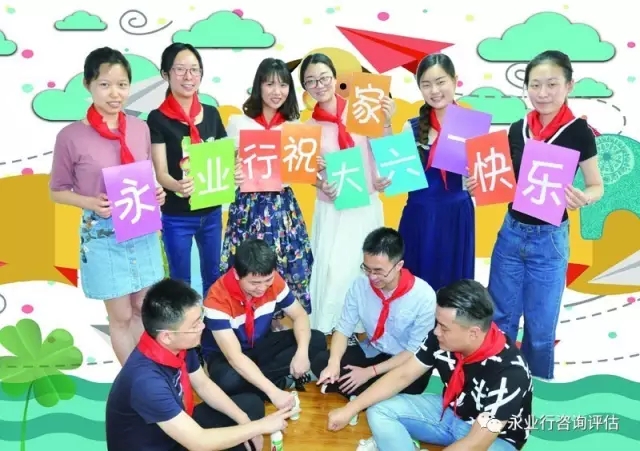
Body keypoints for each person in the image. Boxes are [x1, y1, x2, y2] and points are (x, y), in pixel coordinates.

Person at [468, 50, 604, 380]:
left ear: (569, 85)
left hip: (550, 240)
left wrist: (585, 198)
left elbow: (596, 185)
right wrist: (480, 182)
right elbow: (503, 180)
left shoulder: (579, 132)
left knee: (541, 330)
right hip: (510, 234)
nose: (543, 93)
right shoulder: (517, 130)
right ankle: (497, 386)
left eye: (552, 84)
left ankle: (537, 393)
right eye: (535, 85)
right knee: (500, 320)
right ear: (526, 87)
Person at [49, 47, 165, 365]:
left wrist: (156, 193)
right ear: (88, 84)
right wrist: (89, 202)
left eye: (122, 85)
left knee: (144, 309)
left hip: (141, 227)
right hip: (102, 234)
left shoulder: (140, 128)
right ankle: (135, 381)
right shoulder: (71, 136)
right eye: (105, 84)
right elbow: (57, 191)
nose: (115, 93)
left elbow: (144, 176)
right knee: (121, 316)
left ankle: (150, 377)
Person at [327, 280, 533, 451]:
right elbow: (403, 375)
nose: (436, 332)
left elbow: (477, 443)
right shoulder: (441, 337)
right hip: (450, 412)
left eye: (444, 327)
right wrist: (349, 409)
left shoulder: (510, 372)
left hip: (495, 439)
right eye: (437, 323)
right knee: (380, 410)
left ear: (473, 333)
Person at [106, 278, 295, 451]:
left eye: (200, 319)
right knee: (242, 434)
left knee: (250, 406)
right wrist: (259, 427)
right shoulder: (147, 382)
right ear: (167, 336)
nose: (203, 327)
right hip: (165, 444)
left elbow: (203, 385)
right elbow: (198, 442)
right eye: (194, 325)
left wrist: (245, 422)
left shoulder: (176, 345)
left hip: (175, 430)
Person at [300, 52, 396, 334]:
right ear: (305, 88)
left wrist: (386, 122)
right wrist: (320, 183)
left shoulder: (361, 110)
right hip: (333, 207)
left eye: (324, 78)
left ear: (335, 79)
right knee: (333, 269)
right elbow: (306, 171)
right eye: (311, 81)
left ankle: (362, 327)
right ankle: (331, 328)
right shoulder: (307, 128)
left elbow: (385, 149)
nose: (319, 85)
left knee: (363, 267)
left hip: (365, 204)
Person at [221, 58, 314, 326]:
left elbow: (302, 171)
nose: (277, 91)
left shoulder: (295, 127)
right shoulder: (238, 122)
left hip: (282, 207)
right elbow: (224, 170)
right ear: (258, 86)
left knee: (286, 264)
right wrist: (232, 174)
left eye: (283, 85)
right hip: (248, 208)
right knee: (249, 266)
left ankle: (278, 325)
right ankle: (250, 327)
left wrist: (314, 166)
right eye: (270, 84)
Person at [147, 42, 242, 296]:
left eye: (194, 69)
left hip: (211, 212)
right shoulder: (157, 118)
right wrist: (177, 185)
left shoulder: (211, 114)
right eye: (180, 69)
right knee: (180, 282)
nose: (188, 76)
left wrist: (235, 171)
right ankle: (185, 323)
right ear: (165, 74)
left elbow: (225, 158)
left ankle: (213, 322)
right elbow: (161, 173)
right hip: (177, 216)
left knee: (213, 276)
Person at [202, 238, 327, 409]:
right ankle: (279, 382)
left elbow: (300, 315)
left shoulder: (274, 281)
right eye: (254, 283)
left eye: (267, 280)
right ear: (237, 274)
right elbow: (235, 357)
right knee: (227, 380)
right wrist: (274, 393)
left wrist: (302, 353)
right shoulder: (216, 299)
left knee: (317, 340)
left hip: (259, 344)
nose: (262, 288)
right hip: (226, 356)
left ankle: (258, 385)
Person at [311, 227, 436, 398]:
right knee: (321, 362)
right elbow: (343, 329)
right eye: (367, 268)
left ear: (398, 266)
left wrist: (370, 372)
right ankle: (372, 395)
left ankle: (365, 393)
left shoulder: (423, 296)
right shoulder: (360, 285)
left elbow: (413, 351)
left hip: (405, 361)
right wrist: (334, 363)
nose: (372, 277)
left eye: (378, 271)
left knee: (412, 384)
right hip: (374, 351)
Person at [397, 53, 475, 292]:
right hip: (419, 218)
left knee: (454, 291)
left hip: (457, 218)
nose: (435, 90)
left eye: (441, 82)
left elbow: (482, 179)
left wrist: (477, 183)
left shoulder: (471, 125)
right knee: (415, 287)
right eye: (426, 84)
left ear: (454, 80)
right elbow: (400, 179)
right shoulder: (409, 127)